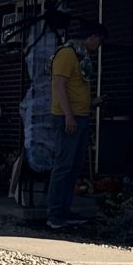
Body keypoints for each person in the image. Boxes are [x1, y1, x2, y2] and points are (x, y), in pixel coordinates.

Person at [46, 19, 106, 229]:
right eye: (99, 40)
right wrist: (68, 115)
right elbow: (59, 86)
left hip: (80, 116)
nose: (99, 45)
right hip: (68, 118)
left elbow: (73, 88)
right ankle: (55, 214)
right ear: (92, 37)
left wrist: (92, 102)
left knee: (74, 166)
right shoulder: (66, 54)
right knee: (63, 166)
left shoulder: (80, 56)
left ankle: (65, 210)